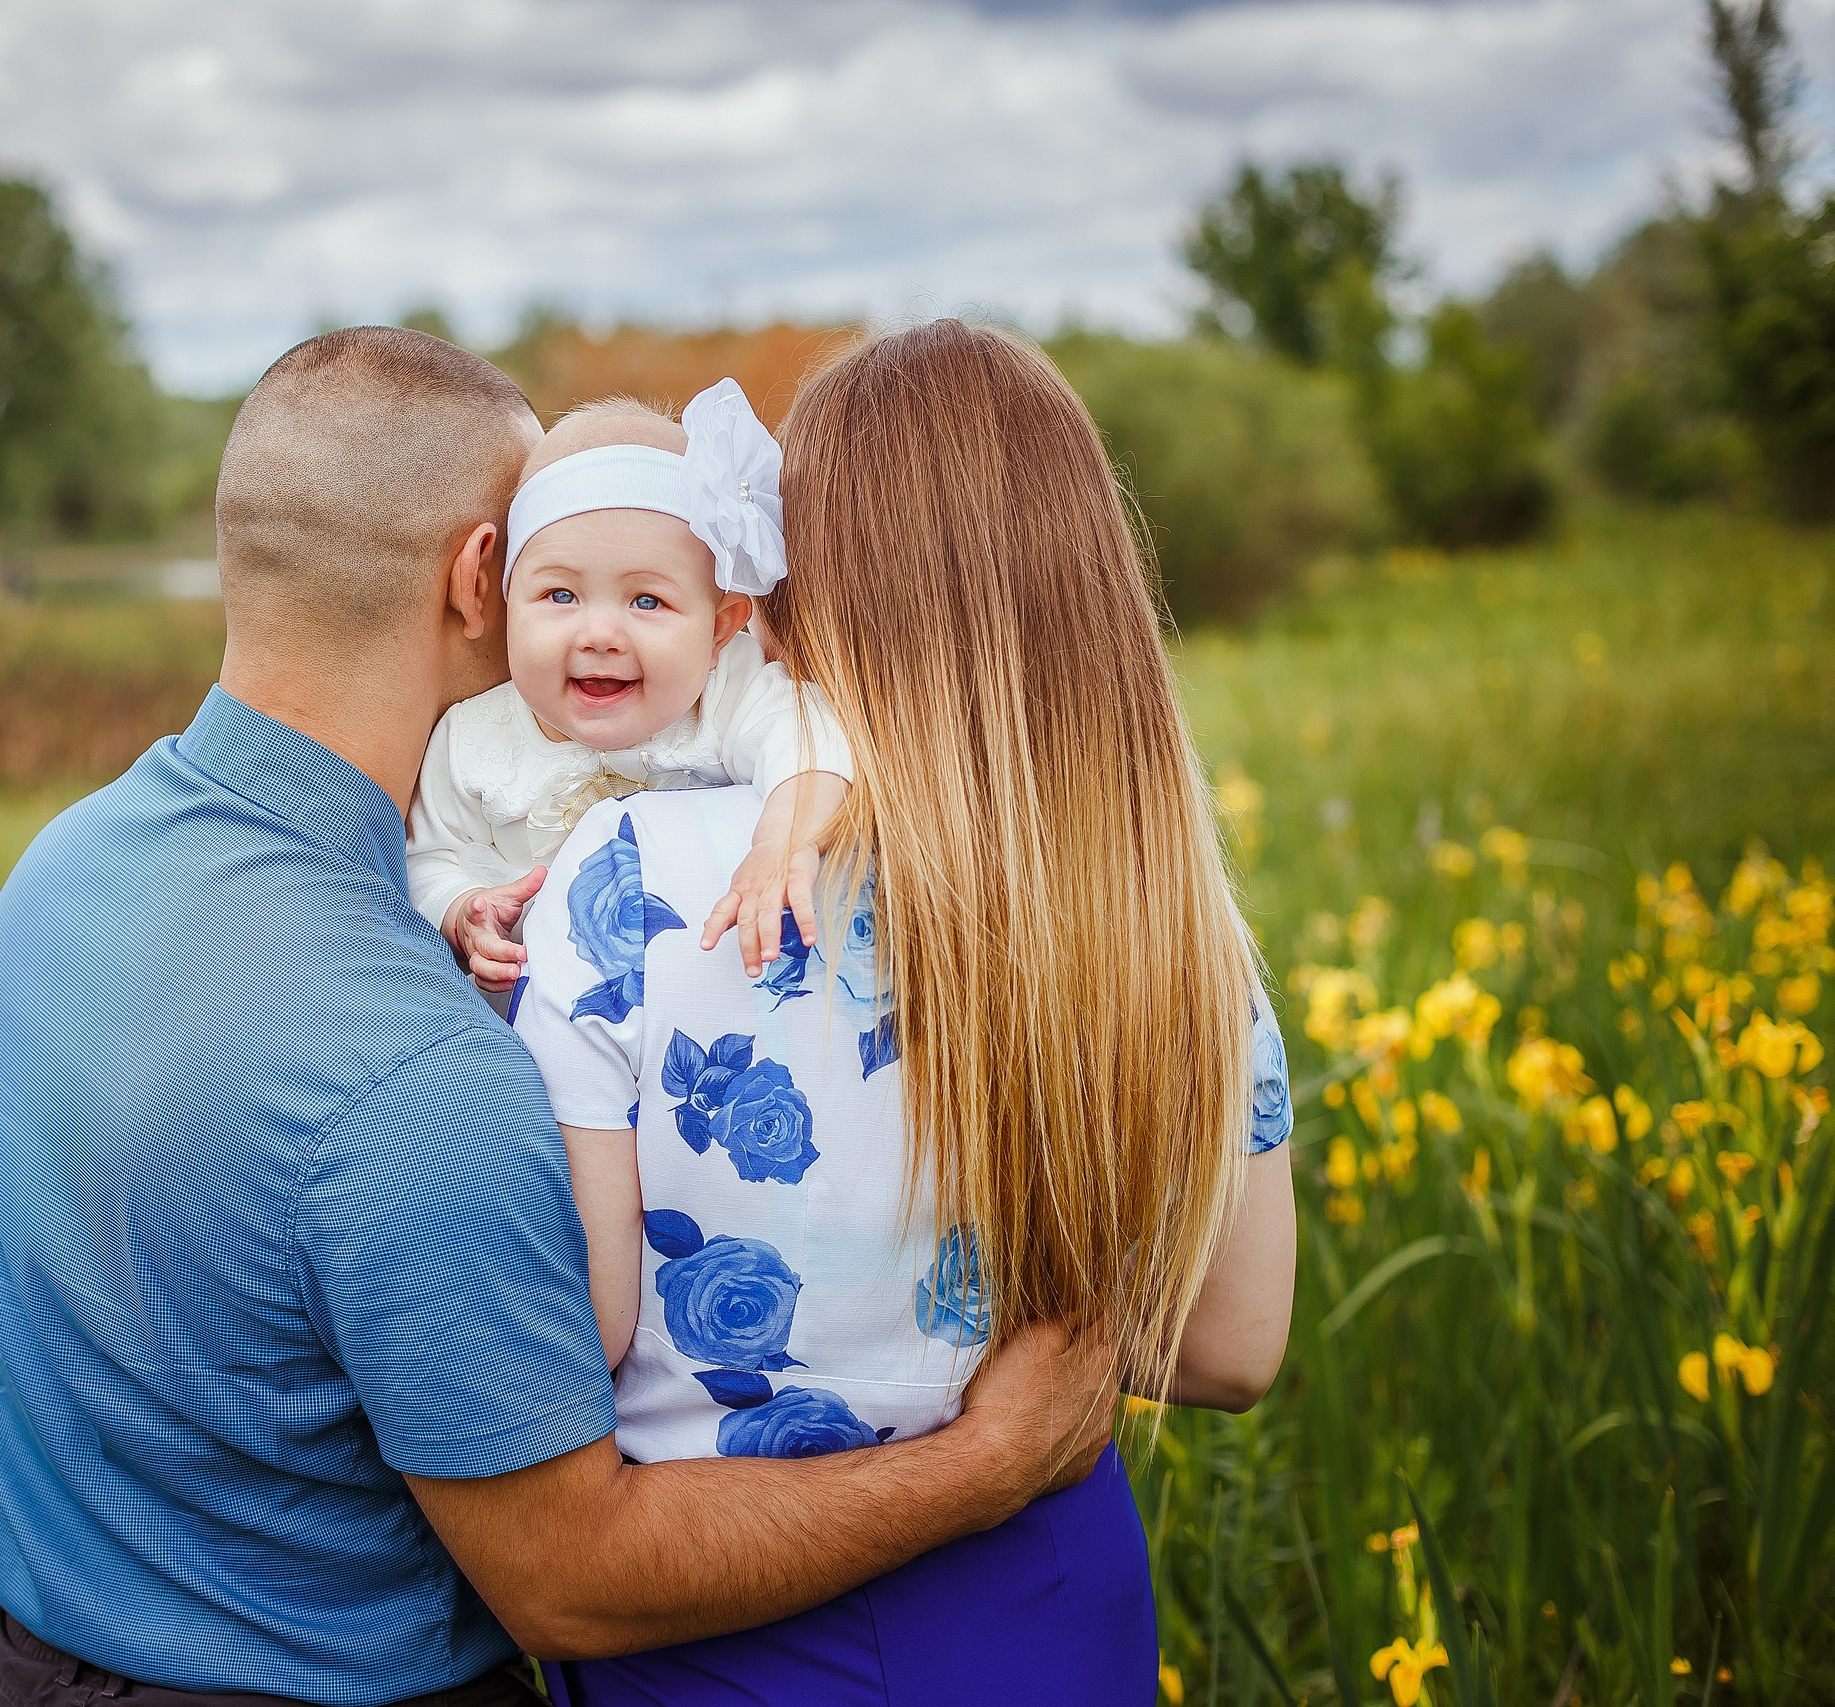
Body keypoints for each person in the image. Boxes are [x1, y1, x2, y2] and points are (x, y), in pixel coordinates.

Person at [0, 325, 1121, 1707]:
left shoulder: (56, 871)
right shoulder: (410, 1064)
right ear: (481, 578)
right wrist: (987, 1462)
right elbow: (576, 1577)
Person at [510, 320, 1300, 1705]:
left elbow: (576, 1337)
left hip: (720, 1622)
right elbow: (1233, 1346)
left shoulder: (627, 878)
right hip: (1049, 1611)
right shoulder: (1178, 913)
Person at [407, 384, 851, 998]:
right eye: (559, 595)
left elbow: (812, 742)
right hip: (537, 1034)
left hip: (707, 995)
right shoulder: (471, 739)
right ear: (508, 601)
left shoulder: (723, 695)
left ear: (720, 628)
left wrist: (783, 840)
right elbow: (430, 858)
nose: (600, 634)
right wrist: (461, 910)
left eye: (648, 600)